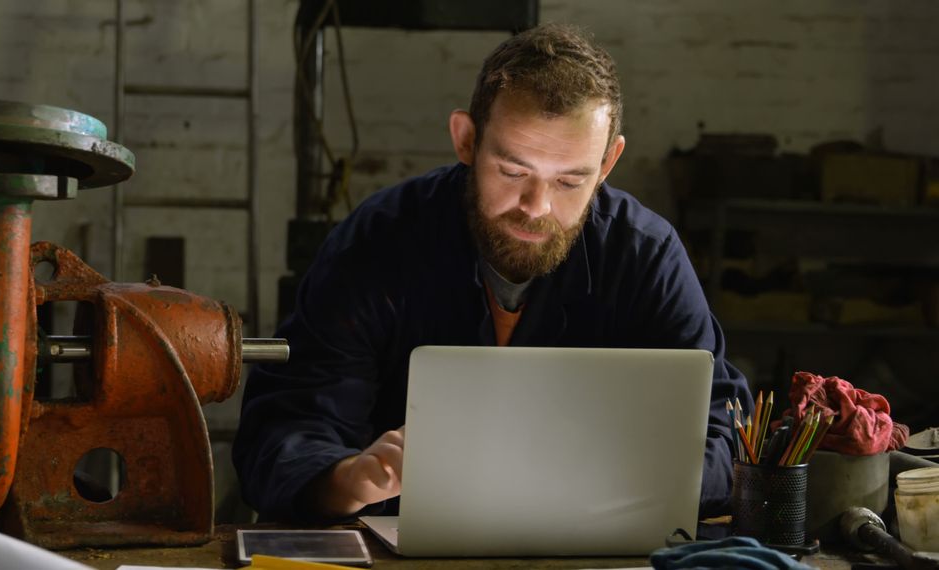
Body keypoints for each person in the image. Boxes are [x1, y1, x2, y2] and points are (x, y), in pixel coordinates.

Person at [233, 23, 753, 523]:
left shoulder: (645, 255)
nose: (537, 207)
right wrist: (353, 479)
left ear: (608, 162)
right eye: (513, 171)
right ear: (466, 140)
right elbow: (287, 428)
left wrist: (623, 481)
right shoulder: (380, 243)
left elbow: (725, 432)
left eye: (571, 181)